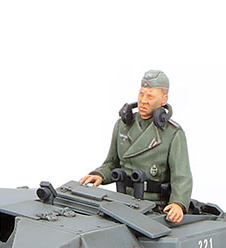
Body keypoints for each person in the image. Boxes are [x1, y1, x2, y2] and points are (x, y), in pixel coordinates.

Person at [80, 70, 192, 224]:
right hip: (122, 202)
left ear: (163, 99)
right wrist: (100, 175)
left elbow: (182, 177)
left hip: (154, 207)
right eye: (141, 94)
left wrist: (178, 203)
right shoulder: (122, 126)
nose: (143, 101)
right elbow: (112, 163)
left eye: (150, 96)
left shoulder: (172, 133)